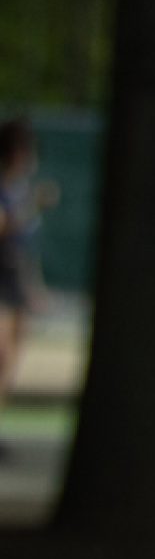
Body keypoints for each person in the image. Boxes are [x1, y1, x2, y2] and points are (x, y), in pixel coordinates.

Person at [0, 119, 47, 452]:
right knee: (1, 353)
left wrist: (34, 287)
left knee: (11, 359)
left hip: (15, 278)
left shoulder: (21, 190)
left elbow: (25, 249)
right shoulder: (6, 192)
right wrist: (32, 207)